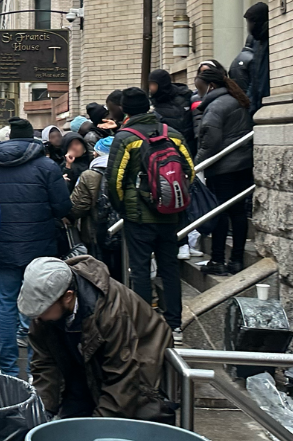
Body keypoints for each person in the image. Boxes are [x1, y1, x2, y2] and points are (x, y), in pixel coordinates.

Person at [19, 256, 174, 420]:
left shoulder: (112, 313)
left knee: (127, 421)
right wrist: (44, 412)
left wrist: (97, 426)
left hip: (141, 360)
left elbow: (121, 378)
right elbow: (44, 363)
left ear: (68, 297)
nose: (39, 317)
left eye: (43, 310)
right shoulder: (45, 310)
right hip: (87, 361)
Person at [0, 117, 72, 378]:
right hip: (39, 246)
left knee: (6, 304)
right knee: (40, 306)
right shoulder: (47, 167)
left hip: (2, 245)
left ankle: (8, 368)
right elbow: (63, 207)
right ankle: (36, 368)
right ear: (33, 138)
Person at [105, 87, 194, 343]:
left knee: (140, 270)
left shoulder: (125, 137)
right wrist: (174, 202)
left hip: (138, 217)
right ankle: (175, 326)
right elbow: (189, 170)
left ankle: (145, 326)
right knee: (169, 268)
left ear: (125, 109)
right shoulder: (172, 134)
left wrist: (124, 208)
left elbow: (114, 181)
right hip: (169, 214)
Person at [193, 65, 255, 275]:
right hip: (242, 164)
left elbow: (210, 140)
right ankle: (236, 259)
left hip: (223, 168)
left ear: (210, 85)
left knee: (218, 212)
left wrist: (196, 165)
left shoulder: (217, 106)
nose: (199, 92)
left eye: (200, 87)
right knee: (237, 213)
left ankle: (218, 259)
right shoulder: (235, 99)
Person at [67, 136, 121, 280]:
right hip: (125, 232)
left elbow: (76, 208)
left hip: (96, 232)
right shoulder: (126, 170)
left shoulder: (89, 175)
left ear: (97, 153)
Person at [148, 69, 197, 149]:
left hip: (189, 145)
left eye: (153, 84)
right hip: (169, 148)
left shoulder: (185, 96)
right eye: (150, 84)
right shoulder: (153, 104)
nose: (151, 88)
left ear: (162, 84)